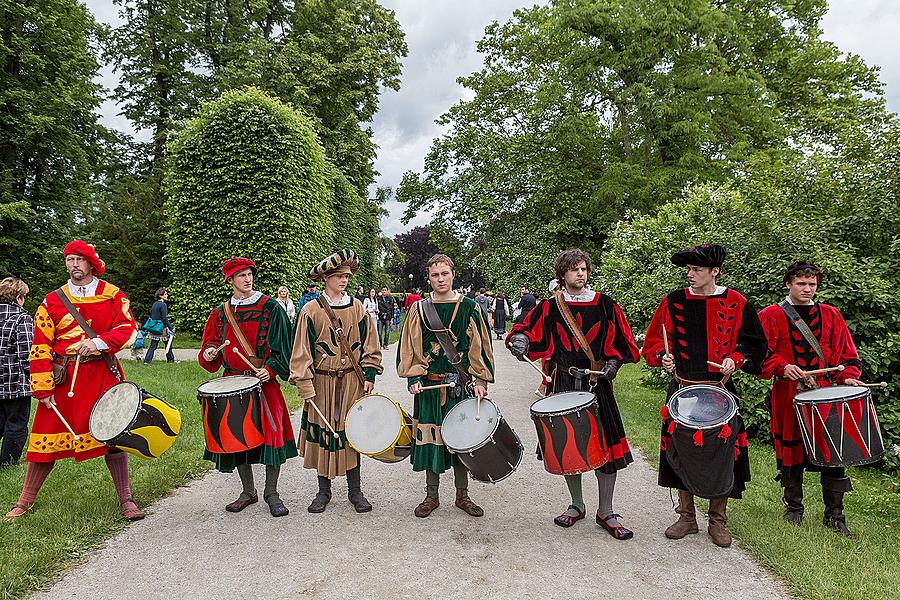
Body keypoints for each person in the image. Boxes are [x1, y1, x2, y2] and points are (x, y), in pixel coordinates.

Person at [5, 241, 143, 522]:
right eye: (69, 259)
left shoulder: (112, 295)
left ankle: (126, 498)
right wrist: (42, 387)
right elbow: (40, 345)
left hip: (102, 374)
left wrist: (97, 342)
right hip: (64, 379)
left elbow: (128, 329)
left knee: (113, 437)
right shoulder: (52, 300)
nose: (74, 264)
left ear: (92, 263)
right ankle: (24, 502)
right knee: (44, 440)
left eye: (80, 259)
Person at [508, 249, 640, 540]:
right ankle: (576, 504)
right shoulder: (550, 307)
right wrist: (520, 340)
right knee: (570, 446)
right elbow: (527, 331)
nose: (581, 274)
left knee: (605, 448)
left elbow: (622, 340)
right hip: (564, 384)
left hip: (597, 384)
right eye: (574, 270)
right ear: (563, 275)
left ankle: (606, 511)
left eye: (584, 269)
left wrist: (613, 364)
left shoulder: (606, 304)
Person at [642, 243, 767, 547]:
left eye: (697, 269)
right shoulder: (672, 302)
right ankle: (686, 517)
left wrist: (734, 359)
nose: (690, 274)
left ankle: (718, 520)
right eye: (688, 269)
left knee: (723, 453)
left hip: (720, 390)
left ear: (715, 271)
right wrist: (662, 357)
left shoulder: (736, 302)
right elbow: (653, 342)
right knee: (681, 450)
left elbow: (755, 345)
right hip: (683, 388)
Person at [758, 261, 863, 537]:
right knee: (791, 454)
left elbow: (848, 357)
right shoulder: (770, 315)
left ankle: (835, 516)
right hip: (788, 396)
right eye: (801, 283)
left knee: (834, 451)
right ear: (788, 284)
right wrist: (782, 366)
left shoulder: (830, 315)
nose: (807, 289)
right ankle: (794, 510)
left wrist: (849, 376)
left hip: (827, 396)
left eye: (812, 284)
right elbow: (757, 355)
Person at [397, 254, 495, 518]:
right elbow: (410, 345)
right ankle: (431, 496)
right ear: (428, 278)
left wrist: (481, 380)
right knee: (431, 440)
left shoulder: (470, 307)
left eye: (444, 274)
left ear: (453, 274)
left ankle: (462, 496)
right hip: (429, 388)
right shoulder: (419, 309)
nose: (440, 279)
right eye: (435, 275)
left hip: (459, 387)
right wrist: (414, 378)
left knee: (461, 440)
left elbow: (481, 346)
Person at [198, 257, 297, 517]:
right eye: (240, 275)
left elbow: (283, 348)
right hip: (233, 382)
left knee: (272, 436)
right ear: (230, 280)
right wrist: (209, 354)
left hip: (264, 382)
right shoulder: (220, 313)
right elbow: (210, 347)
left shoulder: (271, 307)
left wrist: (271, 369)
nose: (247, 278)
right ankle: (248, 492)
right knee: (238, 436)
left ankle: (271, 492)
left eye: (249, 274)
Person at [290, 249, 383, 513]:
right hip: (322, 382)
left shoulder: (358, 308)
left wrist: (370, 374)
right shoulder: (311, 310)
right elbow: (301, 351)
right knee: (324, 434)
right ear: (326, 278)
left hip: (352, 381)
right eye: (339, 276)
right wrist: (305, 384)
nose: (345, 280)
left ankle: (356, 491)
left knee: (352, 433)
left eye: (347, 276)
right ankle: (323, 491)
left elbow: (370, 344)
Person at [0, 277, 33, 466]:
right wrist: (35, 378)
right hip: (15, 383)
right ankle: (8, 462)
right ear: (19, 297)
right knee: (16, 424)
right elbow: (27, 354)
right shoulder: (22, 319)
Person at [143, 288, 175, 364]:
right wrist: (171, 328)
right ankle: (170, 360)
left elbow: (153, 316)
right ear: (161, 296)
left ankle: (146, 361)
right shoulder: (163, 305)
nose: (167, 295)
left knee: (152, 346)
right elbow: (164, 318)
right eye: (165, 294)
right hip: (161, 329)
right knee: (168, 345)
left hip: (154, 328)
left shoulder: (155, 304)